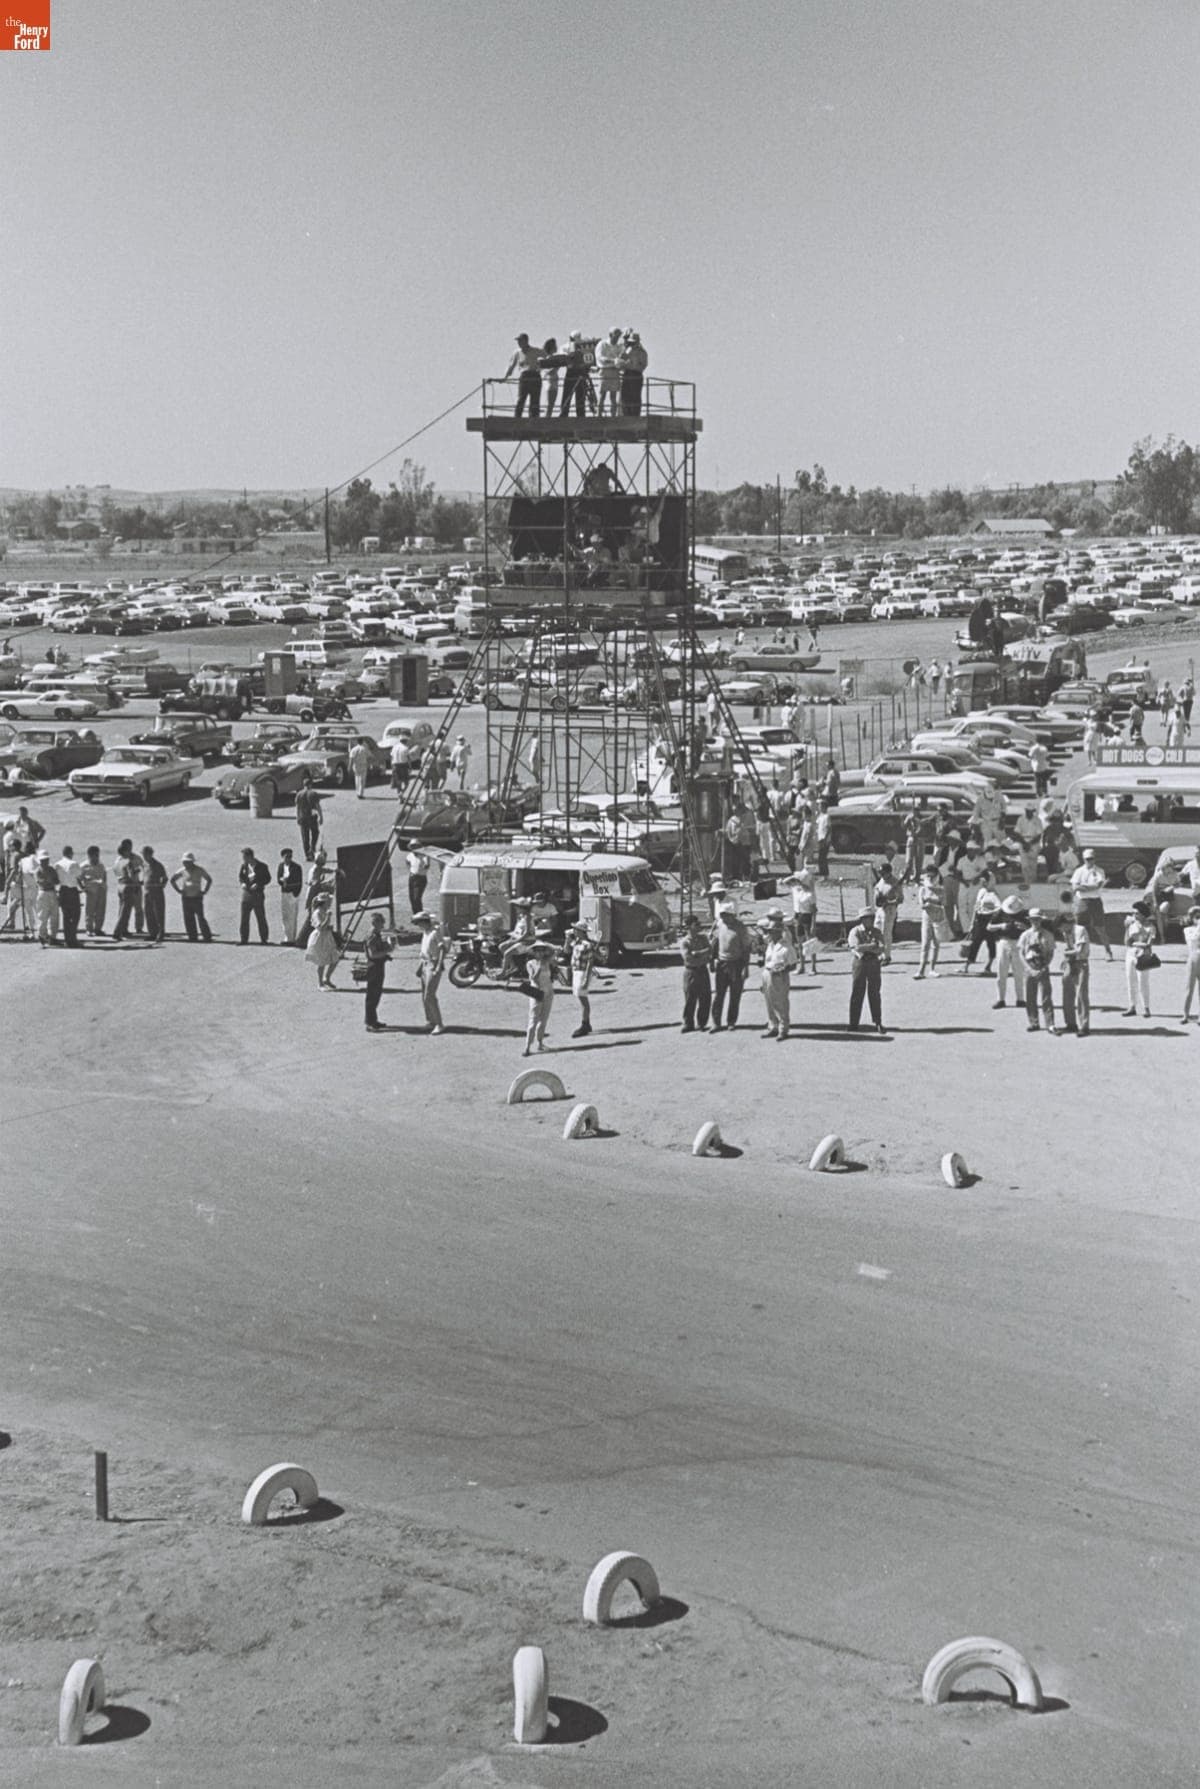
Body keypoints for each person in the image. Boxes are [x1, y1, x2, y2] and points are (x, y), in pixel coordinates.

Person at [709, 900, 751, 1030]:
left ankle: (731, 1021)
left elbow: (746, 949)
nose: (723, 917)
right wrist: (712, 961)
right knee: (719, 994)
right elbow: (714, 944)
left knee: (735, 994)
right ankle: (716, 1022)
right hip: (722, 964)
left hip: (736, 964)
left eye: (726, 914)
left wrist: (746, 967)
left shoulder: (741, 928)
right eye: (722, 914)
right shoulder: (719, 925)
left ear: (732, 915)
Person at [758, 907, 797, 1040]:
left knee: (780, 1003)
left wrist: (783, 970)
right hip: (767, 973)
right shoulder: (770, 945)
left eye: (773, 932)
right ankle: (772, 1026)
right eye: (770, 931)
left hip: (779, 976)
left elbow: (793, 964)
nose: (770, 934)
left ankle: (783, 1029)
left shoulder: (786, 946)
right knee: (769, 1002)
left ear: (779, 932)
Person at [1070, 848, 1114, 961]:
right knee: (1079, 928)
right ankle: (1078, 951)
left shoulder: (1099, 871)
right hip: (1082, 902)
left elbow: (1098, 886)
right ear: (1083, 859)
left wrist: (1083, 887)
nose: (1089, 861)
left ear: (1094, 859)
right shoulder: (1079, 871)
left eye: (1091, 859)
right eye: (1087, 859)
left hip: (1095, 902)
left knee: (1100, 928)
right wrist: (1091, 887)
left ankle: (1108, 951)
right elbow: (1075, 888)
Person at [1018, 908, 1057, 1033]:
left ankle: (1050, 1023)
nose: (1036, 922)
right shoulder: (1025, 935)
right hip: (1029, 969)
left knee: (1046, 997)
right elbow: (1021, 953)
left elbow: (1051, 952)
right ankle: (1033, 1022)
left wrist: (1045, 966)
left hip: (1043, 968)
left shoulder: (1048, 935)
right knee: (1030, 997)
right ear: (1030, 921)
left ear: (1041, 920)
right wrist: (1028, 968)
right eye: (1033, 920)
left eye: (1038, 919)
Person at [847, 907, 885, 1033]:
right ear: (862, 920)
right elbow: (856, 947)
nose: (869, 921)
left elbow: (881, 948)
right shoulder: (855, 931)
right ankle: (853, 1023)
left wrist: (868, 948)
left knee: (874, 993)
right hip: (860, 963)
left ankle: (877, 1021)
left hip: (874, 963)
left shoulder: (877, 931)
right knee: (857, 992)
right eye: (867, 919)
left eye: (871, 918)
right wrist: (871, 946)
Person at [988, 893, 1027, 1008]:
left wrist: (1024, 927)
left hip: (1018, 942)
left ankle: (1020, 999)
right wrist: (1001, 926)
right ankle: (1001, 999)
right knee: (1001, 972)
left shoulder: (1023, 914)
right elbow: (989, 927)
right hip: (1003, 941)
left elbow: (1031, 928)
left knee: (1018, 972)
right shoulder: (1000, 912)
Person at [413, 909, 447, 1033]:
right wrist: (419, 967)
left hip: (433, 965)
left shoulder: (435, 932)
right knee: (424, 995)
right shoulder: (425, 933)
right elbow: (424, 952)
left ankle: (439, 1024)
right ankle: (430, 1021)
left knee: (429, 996)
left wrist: (438, 966)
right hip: (425, 964)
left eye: (419, 923)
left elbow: (442, 949)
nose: (418, 926)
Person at [1121, 899, 1157, 1018]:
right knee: (1130, 980)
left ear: (1142, 914)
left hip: (1143, 956)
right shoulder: (1131, 926)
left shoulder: (1150, 927)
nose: (1134, 915)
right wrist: (1127, 928)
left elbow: (1148, 944)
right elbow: (1126, 943)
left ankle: (1146, 1008)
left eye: (1136, 913)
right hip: (1131, 954)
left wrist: (1135, 942)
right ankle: (1132, 1006)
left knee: (1143, 982)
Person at [679, 912, 713, 1033]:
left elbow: (710, 952)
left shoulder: (703, 938)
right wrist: (702, 953)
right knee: (690, 998)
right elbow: (688, 958)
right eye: (696, 924)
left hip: (703, 970)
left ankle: (702, 1023)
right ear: (689, 927)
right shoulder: (684, 942)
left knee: (705, 997)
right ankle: (688, 1023)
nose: (699, 926)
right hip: (691, 972)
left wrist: (697, 953)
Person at [522, 935, 556, 1053]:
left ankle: (540, 1042)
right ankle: (527, 1046)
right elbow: (533, 978)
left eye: (542, 951)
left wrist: (547, 946)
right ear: (534, 953)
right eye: (538, 951)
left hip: (548, 991)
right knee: (533, 1019)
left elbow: (555, 951)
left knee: (544, 1019)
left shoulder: (547, 961)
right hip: (536, 992)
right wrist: (539, 966)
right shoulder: (530, 963)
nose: (540, 953)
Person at [960, 873, 1000, 975]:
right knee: (975, 943)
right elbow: (976, 907)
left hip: (988, 920)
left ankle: (989, 966)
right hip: (979, 920)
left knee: (991, 944)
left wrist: (992, 918)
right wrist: (972, 923)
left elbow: (999, 908)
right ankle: (966, 965)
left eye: (985, 882)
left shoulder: (994, 894)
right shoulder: (981, 891)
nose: (983, 884)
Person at [170, 851, 214, 942]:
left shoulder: (199, 870)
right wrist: (179, 891)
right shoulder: (182, 870)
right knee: (188, 918)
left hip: (197, 897)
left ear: (192, 862)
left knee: (200, 917)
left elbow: (209, 879)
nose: (185, 863)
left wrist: (204, 891)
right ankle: (192, 936)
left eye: (187, 862)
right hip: (186, 897)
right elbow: (172, 879)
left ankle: (207, 936)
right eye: (184, 862)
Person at [1060, 908, 1091, 1037]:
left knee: (1081, 995)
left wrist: (1066, 953)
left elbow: (1079, 950)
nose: (1060, 930)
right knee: (1067, 993)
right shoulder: (1066, 933)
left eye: (1061, 926)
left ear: (1066, 923)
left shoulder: (1080, 930)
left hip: (1080, 962)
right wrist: (1066, 958)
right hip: (1070, 962)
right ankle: (1070, 1023)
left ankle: (1084, 1025)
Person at [784, 866, 819, 974]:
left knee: (810, 943)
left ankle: (813, 967)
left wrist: (813, 924)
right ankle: (802, 966)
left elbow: (814, 911)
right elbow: (785, 882)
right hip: (798, 915)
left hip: (807, 916)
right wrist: (794, 877)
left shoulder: (810, 893)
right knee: (799, 942)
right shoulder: (796, 890)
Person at [913, 867, 946, 979]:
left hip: (938, 917)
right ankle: (921, 970)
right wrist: (930, 905)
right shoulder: (923, 889)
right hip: (927, 917)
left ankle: (932, 969)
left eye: (933, 876)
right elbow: (921, 904)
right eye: (929, 876)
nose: (930, 878)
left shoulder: (941, 889)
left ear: (937, 876)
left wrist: (932, 905)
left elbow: (944, 905)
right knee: (925, 943)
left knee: (936, 944)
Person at [362, 912, 393, 1031]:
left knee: (376, 994)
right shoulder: (372, 936)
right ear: (375, 923)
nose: (383, 924)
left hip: (378, 966)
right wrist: (386, 951)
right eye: (381, 922)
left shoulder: (376, 934)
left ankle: (373, 1020)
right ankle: (370, 1023)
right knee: (372, 995)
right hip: (374, 967)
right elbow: (373, 954)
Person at [566, 921, 595, 1037]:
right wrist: (566, 940)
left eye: (576, 929)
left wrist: (586, 979)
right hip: (576, 971)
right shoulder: (576, 942)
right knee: (581, 997)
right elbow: (566, 951)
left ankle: (585, 1024)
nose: (574, 931)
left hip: (582, 972)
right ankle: (586, 1022)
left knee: (583, 998)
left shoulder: (587, 945)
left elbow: (590, 963)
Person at [111, 838, 144, 941]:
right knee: (125, 911)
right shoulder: (127, 862)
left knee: (123, 910)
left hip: (121, 885)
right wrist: (136, 883)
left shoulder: (118, 861)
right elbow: (131, 875)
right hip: (129, 886)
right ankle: (118, 932)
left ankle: (123, 930)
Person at [304, 893, 339, 988]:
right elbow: (321, 927)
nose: (331, 903)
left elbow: (326, 927)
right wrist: (328, 918)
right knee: (322, 961)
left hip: (327, 937)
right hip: (319, 938)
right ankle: (320, 983)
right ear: (324, 902)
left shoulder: (324, 910)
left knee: (335, 958)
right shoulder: (317, 913)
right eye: (329, 901)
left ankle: (326, 978)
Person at [238, 847, 271, 944]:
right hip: (246, 895)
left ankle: (264, 939)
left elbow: (267, 879)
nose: (243, 859)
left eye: (245, 857)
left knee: (260, 917)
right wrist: (242, 883)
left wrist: (259, 884)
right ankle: (244, 939)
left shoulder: (262, 866)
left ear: (250, 856)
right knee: (244, 918)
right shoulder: (244, 866)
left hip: (258, 895)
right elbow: (241, 877)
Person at [873, 860, 903, 964]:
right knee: (876, 931)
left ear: (889, 872)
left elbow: (900, 899)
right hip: (880, 909)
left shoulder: (895, 883)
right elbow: (877, 891)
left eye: (883, 873)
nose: (881, 874)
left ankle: (887, 956)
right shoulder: (881, 880)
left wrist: (889, 902)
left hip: (889, 910)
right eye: (880, 873)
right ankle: (879, 954)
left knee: (886, 933)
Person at [505, 333, 542, 418]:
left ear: (526, 341)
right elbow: (511, 365)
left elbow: (547, 356)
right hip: (524, 376)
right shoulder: (517, 353)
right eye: (518, 341)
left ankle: (534, 418)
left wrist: (542, 366)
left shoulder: (535, 350)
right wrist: (505, 377)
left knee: (535, 400)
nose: (519, 343)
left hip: (534, 375)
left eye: (520, 341)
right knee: (521, 399)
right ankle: (517, 418)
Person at [54, 845, 83, 948]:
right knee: (75, 915)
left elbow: (56, 879)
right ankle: (73, 938)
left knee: (66, 916)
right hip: (72, 891)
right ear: (70, 853)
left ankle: (67, 939)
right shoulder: (74, 864)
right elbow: (79, 876)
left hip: (63, 891)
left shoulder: (57, 864)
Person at [78, 844, 107, 937]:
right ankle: (89, 929)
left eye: (98, 855)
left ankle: (98, 929)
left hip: (101, 890)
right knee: (89, 911)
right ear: (90, 855)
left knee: (100, 910)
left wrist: (104, 885)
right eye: (95, 855)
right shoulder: (83, 866)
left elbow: (104, 875)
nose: (97, 857)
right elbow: (78, 878)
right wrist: (83, 888)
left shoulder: (101, 865)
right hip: (90, 892)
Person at [141, 845, 168, 943]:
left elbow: (165, 878)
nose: (144, 856)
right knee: (148, 913)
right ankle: (152, 933)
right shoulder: (144, 865)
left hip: (157, 892)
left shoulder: (158, 865)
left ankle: (161, 933)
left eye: (145, 854)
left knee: (158, 913)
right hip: (147, 892)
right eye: (143, 854)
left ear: (150, 854)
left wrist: (161, 886)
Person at [277, 847, 304, 943]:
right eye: (286, 857)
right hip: (284, 893)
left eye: (290, 856)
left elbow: (299, 882)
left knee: (292, 916)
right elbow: (278, 878)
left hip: (293, 894)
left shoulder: (297, 867)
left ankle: (291, 938)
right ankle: (287, 937)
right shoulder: (281, 866)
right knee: (285, 916)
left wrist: (295, 893)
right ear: (282, 857)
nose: (288, 859)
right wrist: (282, 881)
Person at [559, 331, 589, 417]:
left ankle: (581, 415)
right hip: (571, 371)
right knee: (567, 393)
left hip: (581, 371)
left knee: (581, 395)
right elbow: (562, 356)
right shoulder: (565, 347)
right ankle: (564, 414)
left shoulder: (584, 346)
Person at [33, 850, 60, 945]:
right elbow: (41, 882)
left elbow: (56, 881)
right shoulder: (38, 871)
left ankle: (52, 936)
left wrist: (49, 881)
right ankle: (42, 935)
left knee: (54, 915)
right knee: (42, 915)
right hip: (43, 892)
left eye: (45, 860)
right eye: (42, 860)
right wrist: (50, 881)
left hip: (51, 892)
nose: (44, 862)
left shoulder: (51, 870)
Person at [596, 327, 623, 417]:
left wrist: (619, 362)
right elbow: (600, 357)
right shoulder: (602, 344)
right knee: (602, 395)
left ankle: (613, 416)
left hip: (615, 372)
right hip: (604, 371)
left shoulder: (619, 347)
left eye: (619, 336)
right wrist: (612, 360)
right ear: (611, 335)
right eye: (616, 335)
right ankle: (598, 415)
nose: (617, 338)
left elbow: (621, 357)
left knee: (613, 396)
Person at [1012, 805, 1041, 888]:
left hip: (1034, 842)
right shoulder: (1021, 819)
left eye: (1031, 811)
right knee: (1024, 864)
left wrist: (1030, 844)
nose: (1029, 813)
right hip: (1023, 840)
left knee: (1033, 864)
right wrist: (1024, 843)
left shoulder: (1037, 820)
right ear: (1025, 811)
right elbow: (1017, 833)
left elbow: (1039, 835)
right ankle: (1026, 882)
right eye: (1028, 811)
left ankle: (1033, 883)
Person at [1180, 905, 1200, 1025]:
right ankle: (1185, 1014)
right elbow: (1193, 940)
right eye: (1196, 917)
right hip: (1193, 957)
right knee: (1189, 987)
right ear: (1192, 918)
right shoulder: (1188, 930)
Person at [620, 330, 648, 415]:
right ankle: (626, 414)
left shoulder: (642, 352)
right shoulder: (627, 350)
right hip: (627, 374)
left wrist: (633, 366)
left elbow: (643, 364)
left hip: (636, 374)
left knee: (635, 395)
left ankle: (635, 414)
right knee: (625, 395)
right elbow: (621, 359)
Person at [295, 776, 323, 861]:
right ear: (310, 784)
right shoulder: (313, 793)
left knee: (305, 836)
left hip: (302, 817)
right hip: (312, 817)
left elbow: (297, 807)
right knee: (315, 833)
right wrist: (321, 816)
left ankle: (307, 854)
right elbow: (318, 806)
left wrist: (297, 817)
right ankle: (312, 848)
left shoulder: (299, 794)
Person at [406, 840, 430, 915]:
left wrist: (426, 865)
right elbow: (407, 863)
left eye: (416, 846)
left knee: (417, 898)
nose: (414, 848)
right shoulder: (409, 855)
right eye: (413, 847)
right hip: (412, 877)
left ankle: (420, 914)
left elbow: (427, 864)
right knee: (412, 898)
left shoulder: (424, 856)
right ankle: (415, 914)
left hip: (421, 878)